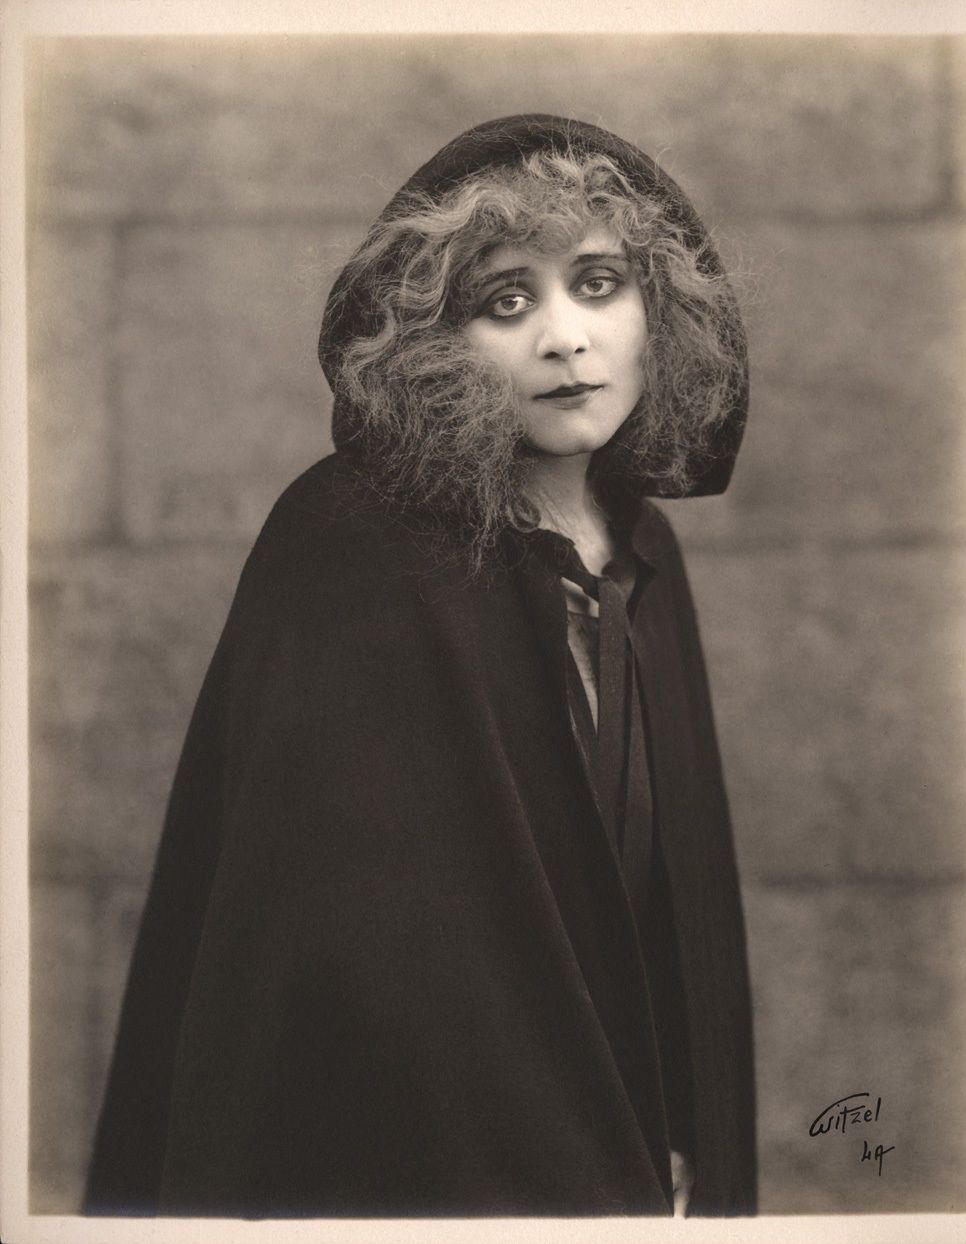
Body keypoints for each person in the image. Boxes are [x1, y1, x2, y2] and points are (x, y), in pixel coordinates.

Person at [84, 114, 756, 1219]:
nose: (565, 339)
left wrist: (683, 1142)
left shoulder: (641, 547)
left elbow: (669, 922)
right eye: (506, 301)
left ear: (661, 309)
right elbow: (354, 960)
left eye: (598, 284)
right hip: (422, 1171)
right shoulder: (351, 541)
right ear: (434, 341)